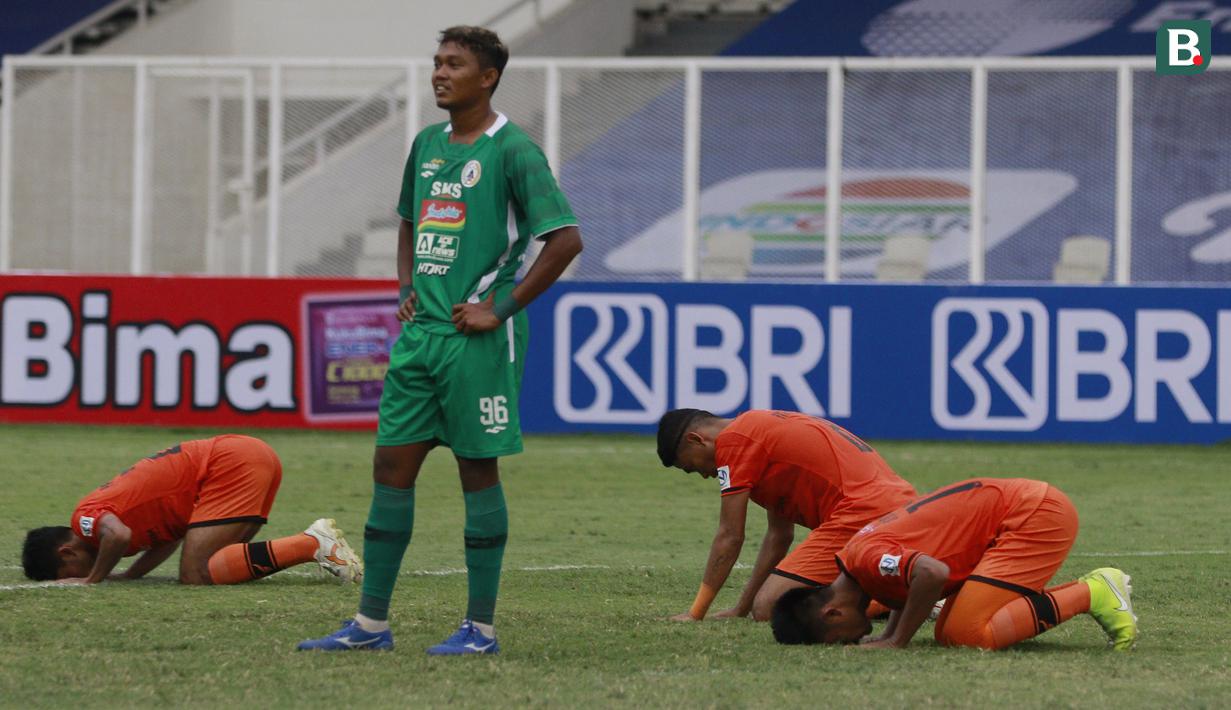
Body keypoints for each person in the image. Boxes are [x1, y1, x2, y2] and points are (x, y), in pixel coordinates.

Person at [298, 25, 582, 655]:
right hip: (420, 338)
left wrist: (499, 308)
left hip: (475, 342)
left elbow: (565, 239)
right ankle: (371, 626)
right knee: (390, 468)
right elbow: (409, 220)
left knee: (475, 472)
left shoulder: (516, 152)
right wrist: (406, 282)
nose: (439, 73)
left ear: (489, 77)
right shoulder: (427, 144)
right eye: (436, 62)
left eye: (454, 64)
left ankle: (480, 629)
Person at [769, 477, 1139, 651]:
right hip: (1022, 509)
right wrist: (886, 634)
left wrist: (896, 641)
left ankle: (1093, 592)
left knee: (962, 634)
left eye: (837, 640)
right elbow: (905, 587)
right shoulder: (858, 562)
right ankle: (1088, 591)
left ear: (832, 613)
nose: (850, 640)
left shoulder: (864, 559)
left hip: (1034, 514)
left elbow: (932, 573)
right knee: (951, 629)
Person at [656, 408, 918, 622]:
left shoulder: (735, 442)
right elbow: (779, 536)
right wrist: (741, 608)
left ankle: (904, 598)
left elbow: (730, 535)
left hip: (862, 512)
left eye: (692, 467)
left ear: (696, 440)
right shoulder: (757, 431)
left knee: (770, 608)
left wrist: (696, 613)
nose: (704, 475)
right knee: (768, 604)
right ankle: (899, 586)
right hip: (896, 506)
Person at [22, 435, 361, 586]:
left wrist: (92, 580)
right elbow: (167, 539)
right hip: (246, 457)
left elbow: (118, 534)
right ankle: (312, 547)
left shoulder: (83, 521)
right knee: (215, 565)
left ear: (66, 552)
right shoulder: (104, 528)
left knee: (195, 574)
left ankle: (311, 544)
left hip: (230, 463)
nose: (79, 575)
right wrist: (130, 575)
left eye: (70, 573)